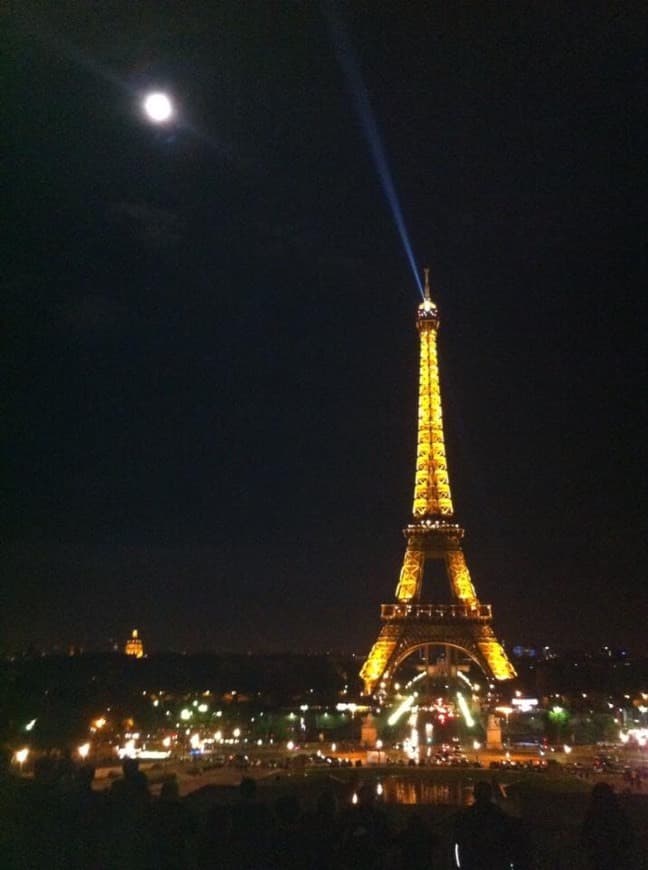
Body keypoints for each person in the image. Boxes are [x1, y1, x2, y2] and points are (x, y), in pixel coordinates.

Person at [452, 781, 531, 869]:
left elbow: (458, 841)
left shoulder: (465, 816)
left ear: (474, 795)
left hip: (473, 863)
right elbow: (511, 842)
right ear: (490, 795)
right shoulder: (500, 815)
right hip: (495, 863)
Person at [580, 782, 634, 870]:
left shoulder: (593, 815)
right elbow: (627, 835)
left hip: (599, 855)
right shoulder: (618, 813)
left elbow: (585, 836)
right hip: (615, 856)